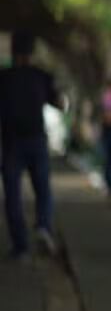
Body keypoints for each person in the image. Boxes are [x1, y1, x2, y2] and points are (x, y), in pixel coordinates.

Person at [0, 31, 61, 260]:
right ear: (32, 52)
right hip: (36, 140)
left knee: (13, 196)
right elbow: (58, 103)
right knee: (43, 190)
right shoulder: (41, 76)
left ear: (13, 51)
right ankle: (43, 226)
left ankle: (20, 246)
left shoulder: (3, 78)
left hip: (11, 143)